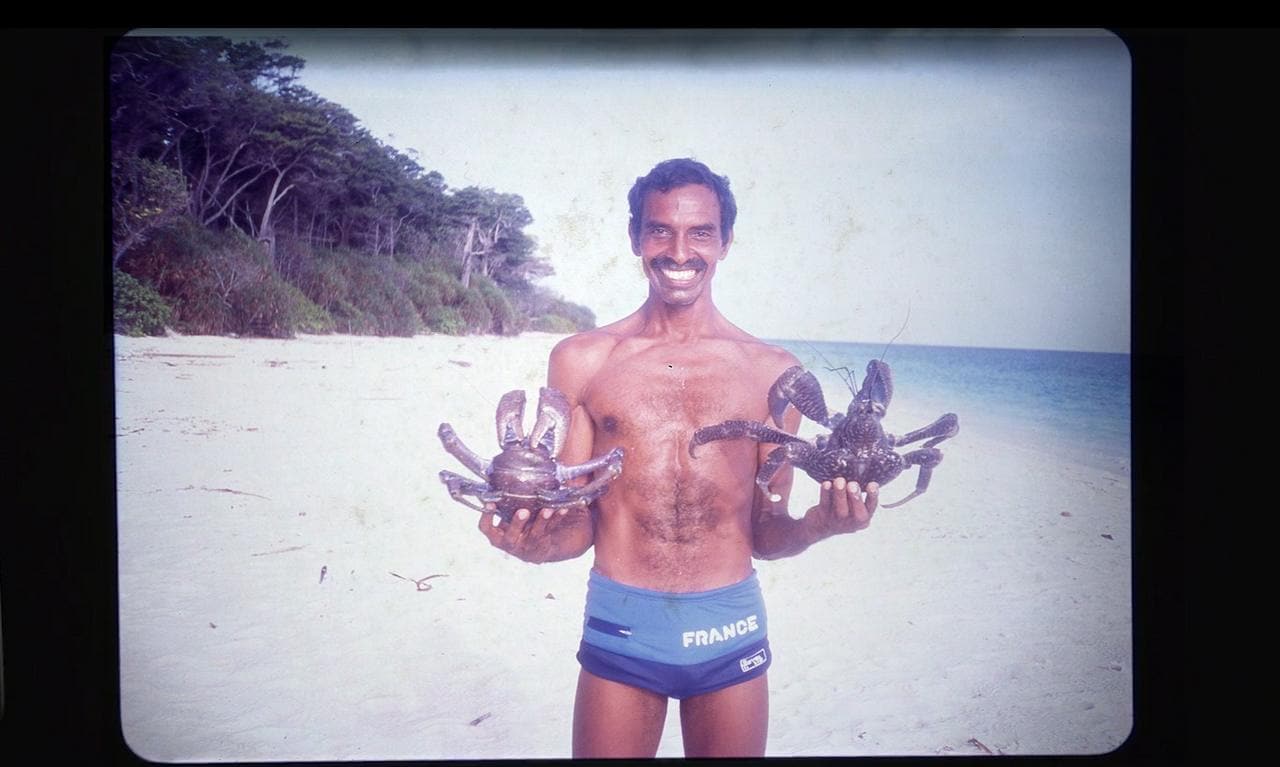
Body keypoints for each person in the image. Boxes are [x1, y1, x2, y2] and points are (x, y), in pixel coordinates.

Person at [476, 158, 879, 758]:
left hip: (730, 625)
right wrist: (528, 543)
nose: (679, 250)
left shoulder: (776, 374)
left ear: (725, 242)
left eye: (700, 233)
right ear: (637, 238)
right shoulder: (583, 361)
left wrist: (825, 522)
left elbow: (767, 533)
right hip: (622, 623)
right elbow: (577, 523)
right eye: (660, 230)